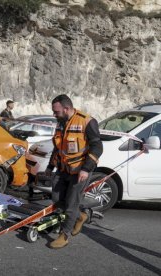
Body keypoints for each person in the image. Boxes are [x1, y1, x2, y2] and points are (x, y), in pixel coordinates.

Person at [46, 94, 103, 249]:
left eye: (56, 111)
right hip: (63, 169)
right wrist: (50, 168)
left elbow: (97, 147)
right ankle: (81, 216)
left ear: (66, 108)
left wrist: (86, 169)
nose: (54, 114)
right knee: (58, 200)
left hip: (80, 171)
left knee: (71, 204)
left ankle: (64, 235)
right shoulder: (60, 123)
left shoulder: (87, 121)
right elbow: (58, 148)